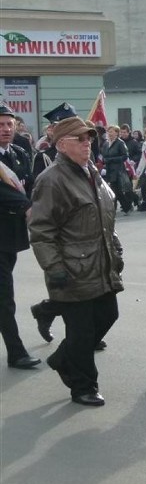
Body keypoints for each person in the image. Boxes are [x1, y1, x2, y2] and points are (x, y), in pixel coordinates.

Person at [28, 116, 124, 405]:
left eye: (89, 138)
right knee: (81, 333)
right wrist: (54, 268)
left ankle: (61, 358)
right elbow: (41, 229)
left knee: (108, 315)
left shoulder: (91, 170)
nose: (87, 143)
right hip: (72, 268)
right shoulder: (52, 180)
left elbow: (104, 215)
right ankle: (83, 386)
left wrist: (116, 250)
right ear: (62, 144)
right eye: (80, 139)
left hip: (101, 263)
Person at [0, 103, 40, 369]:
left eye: (9, 124)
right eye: (1, 125)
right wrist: (26, 205)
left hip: (11, 236)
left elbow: (31, 185)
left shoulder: (19, 154)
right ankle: (16, 351)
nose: (5, 129)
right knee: (4, 296)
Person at [101, 125, 134, 214]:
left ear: (116, 133)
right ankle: (127, 206)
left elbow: (125, 156)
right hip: (109, 170)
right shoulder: (106, 143)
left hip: (118, 170)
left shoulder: (120, 143)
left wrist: (112, 159)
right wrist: (104, 160)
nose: (109, 133)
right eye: (108, 132)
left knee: (116, 191)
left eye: (111, 131)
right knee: (115, 191)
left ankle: (116, 208)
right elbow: (103, 154)